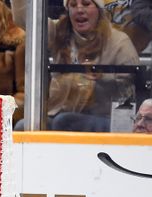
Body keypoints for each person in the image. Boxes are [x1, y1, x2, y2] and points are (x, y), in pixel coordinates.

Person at [41, 0, 140, 132]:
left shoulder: (120, 42)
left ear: (99, 10)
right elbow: (24, 18)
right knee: (24, 125)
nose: (79, 10)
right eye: (73, 5)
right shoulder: (57, 33)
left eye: (86, 4)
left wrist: (102, 77)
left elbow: (132, 88)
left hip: (108, 117)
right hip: (60, 112)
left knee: (64, 121)